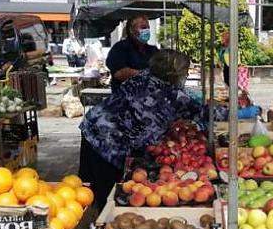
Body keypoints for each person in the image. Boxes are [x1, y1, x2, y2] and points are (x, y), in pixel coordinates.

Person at [79, 50, 206, 209]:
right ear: (173, 73)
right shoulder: (168, 94)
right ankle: (100, 221)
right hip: (108, 141)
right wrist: (238, 111)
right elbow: (204, 112)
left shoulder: (145, 76)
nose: (186, 75)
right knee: (107, 192)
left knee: (86, 188)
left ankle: (88, 220)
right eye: (185, 72)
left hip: (92, 126)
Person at [106, 15, 159, 93]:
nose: (146, 31)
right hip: (125, 99)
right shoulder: (120, 48)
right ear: (131, 30)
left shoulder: (153, 50)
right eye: (143, 28)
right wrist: (147, 74)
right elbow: (120, 73)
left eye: (148, 28)